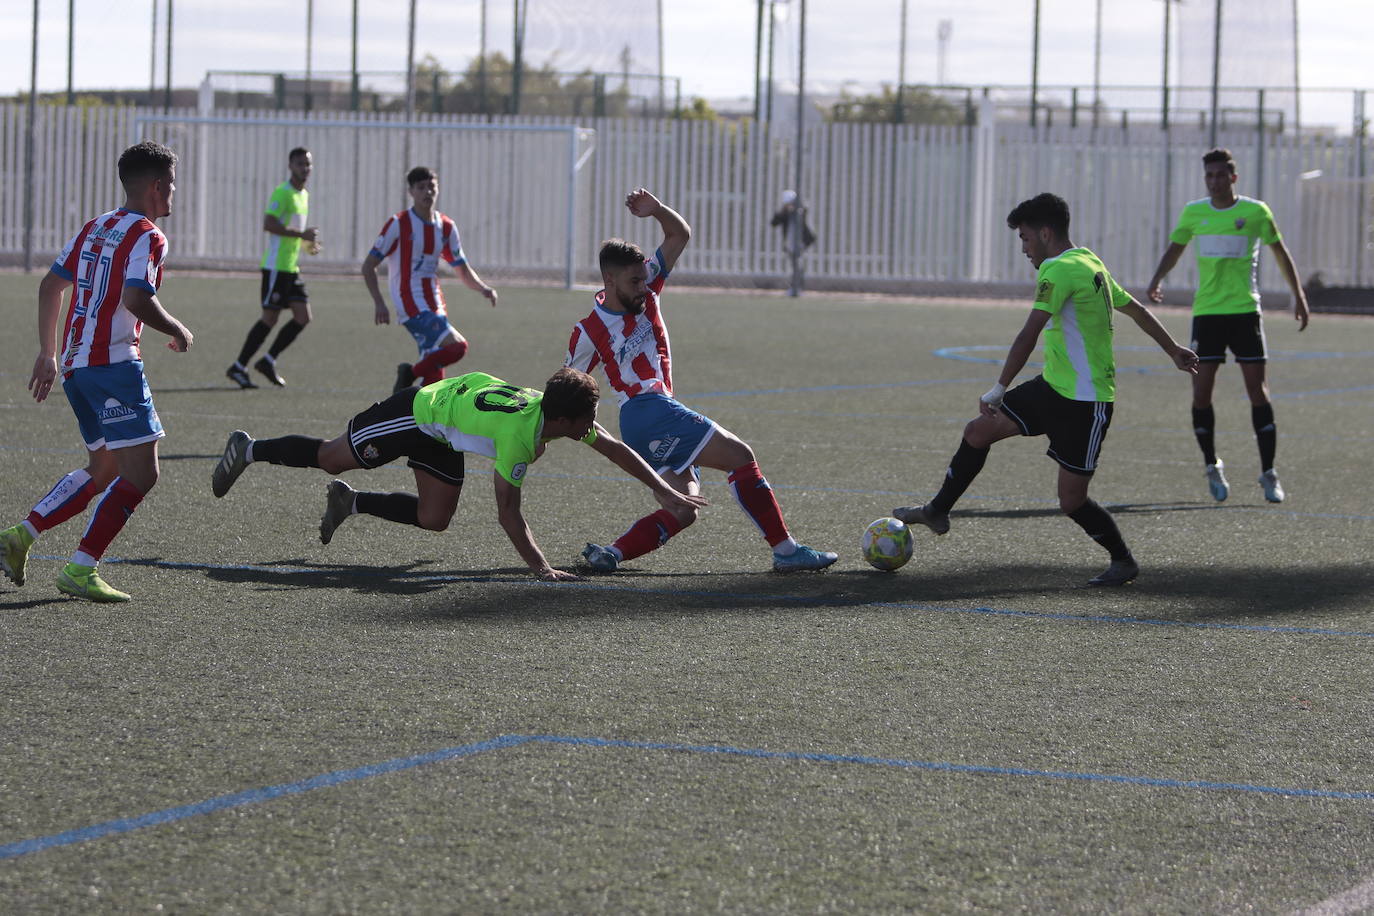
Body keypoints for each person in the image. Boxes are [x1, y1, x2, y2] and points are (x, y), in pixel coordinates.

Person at [894, 192, 1199, 587]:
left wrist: (999, 387)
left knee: (1071, 501)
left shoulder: (1057, 270)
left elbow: (1028, 334)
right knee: (977, 432)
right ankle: (937, 510)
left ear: (1045, 232)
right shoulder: (1089, 261)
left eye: (1024, 238)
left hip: (1087, 402)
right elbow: (1136, 309)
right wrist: (1173, 349)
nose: (1023, 248)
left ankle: (1123, 560)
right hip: (1054, 388)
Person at [210, 368, 706, 582]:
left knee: (434, 518)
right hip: (419, 412)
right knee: (330, 456)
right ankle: (249, 449)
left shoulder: (558, 414)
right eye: (587, 421)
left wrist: (663, 489)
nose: (591, 427)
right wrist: (541, 569)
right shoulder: (519, 438)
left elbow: (616, 451)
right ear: (564, 422)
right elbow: (508, 514)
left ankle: (351, 503)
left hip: (446, 430)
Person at [570, 188, 838, 574]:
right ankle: (786, 550)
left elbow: (678, 235)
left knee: (683, 509)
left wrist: (659, 210)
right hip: (648, 410)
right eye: (633, 282)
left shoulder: (647, 285)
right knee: (741, 457)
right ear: (608, 281)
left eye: (644, 279)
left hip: (644, 422)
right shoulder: (589, 330)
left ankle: (610, 553)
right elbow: (568, 386)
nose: (643, 287)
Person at [0, 140, 194, 602]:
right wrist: (178, 328)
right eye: (171, 183)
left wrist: (48, 353)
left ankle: (20, 536)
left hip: (75, 367)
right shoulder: (149, 236)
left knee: (104, 467)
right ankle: (81, 567)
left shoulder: (95, 227)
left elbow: (50, 286)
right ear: (156, 185)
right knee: (142, 475)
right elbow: (135, 297)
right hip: (114, 366)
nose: (173, 191)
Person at [1146, 147, 1311, 504]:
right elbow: (1175, 249)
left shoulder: (1255, 212)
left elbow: (1281, 253)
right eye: (1209, 175)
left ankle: (1268, 472)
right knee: (1201, 393)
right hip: (1207, 314)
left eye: (1221, 175)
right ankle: (1211, 465)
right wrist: (1158, 277)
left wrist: (1298, 295)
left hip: (1245, 313)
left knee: (1258, 391)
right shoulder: (1194, 212)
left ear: (1233, 178)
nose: (1215, 181)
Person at [362, 166, 498, 394]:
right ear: (411, 192)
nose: (427, 192)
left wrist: (483, 288)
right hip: (409, 301)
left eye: (431, 187)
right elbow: (368, 266)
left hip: (435, 303)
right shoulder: (399, 223)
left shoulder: (446, 227)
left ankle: (413, 419)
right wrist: (379, 302)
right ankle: (410, 373)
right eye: (421, 187)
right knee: (457, 347)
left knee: (434, 382)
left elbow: (461, 268)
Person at [225, 147, 321, 389]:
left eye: (308, 164)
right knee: (269, 318)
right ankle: (239, 366)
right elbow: (269, 223)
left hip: (291, 267)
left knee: (303, 316)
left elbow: (293, 233)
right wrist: (302, 234)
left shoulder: (304, 195)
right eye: (300, 164)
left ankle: (268, 361)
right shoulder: (283, 193)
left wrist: (308, 244)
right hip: (276, 267)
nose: (305, 168)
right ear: (290, 166)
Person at [770, 189, 816, 298]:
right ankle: (795, 287)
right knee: (795, 265)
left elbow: (803, 213)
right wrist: (783, 211)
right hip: (791, 243)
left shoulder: (800, 210)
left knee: (798, 265)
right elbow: (774, 222)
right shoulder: (785, 213)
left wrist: (793, 210)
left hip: (801, 242)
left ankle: (798, 287)